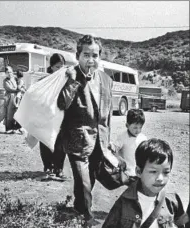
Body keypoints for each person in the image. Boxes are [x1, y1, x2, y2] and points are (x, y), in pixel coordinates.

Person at [56, 35, 113, 225]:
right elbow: (62, 104)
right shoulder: (70, 76)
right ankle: (87, 218)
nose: (91, 60)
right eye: (86, 55)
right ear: (77, 56)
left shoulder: (106, 79)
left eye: (95, 55)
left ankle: (80, 208)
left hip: (99, 140)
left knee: (91, 180)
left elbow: (107, 114)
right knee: (83, 182)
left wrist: (107, 139)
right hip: (77, 140)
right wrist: (73, 81)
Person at [102, 138, 186, 228]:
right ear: (138, 171)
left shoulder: (172, 200)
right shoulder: (124, 202)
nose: (160, 178)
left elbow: (181, 223)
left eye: (166, 172)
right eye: (153, 172)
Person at [39, 53, 67, 181]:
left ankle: (59, 168)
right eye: (57, 67)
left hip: (61, 117)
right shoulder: (44, 81)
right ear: (51, 67)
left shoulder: (67, 81)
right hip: (46, 117)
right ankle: (48, 167)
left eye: (62, 67)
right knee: (46, 141)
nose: (60, 70)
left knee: (61, 143)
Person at [109, 109, 148, 184]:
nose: (138, 130)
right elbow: (114, 148)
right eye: (135, 128)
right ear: (127, 125)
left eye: (140, 127)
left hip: (139, 173)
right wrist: (112, 147)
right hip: (127, 173)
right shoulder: (123, 137)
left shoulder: (143, 138)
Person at [3, 66, 22, 134]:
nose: (9, 73)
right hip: (9, 98)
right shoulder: (5, 81)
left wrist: (20, 88)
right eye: (7, 72)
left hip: (17, 97)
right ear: (5, 73)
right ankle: (9, 128)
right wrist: (17, 90)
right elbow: (9, 88)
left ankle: (18, 128)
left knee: (18, 112)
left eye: (10, 72)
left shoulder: (16, 79)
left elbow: (21, 83)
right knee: (9, 113)